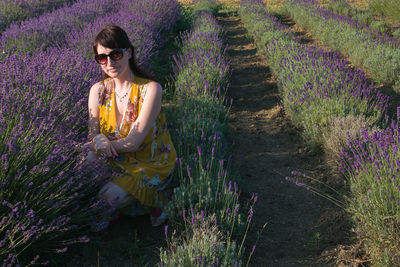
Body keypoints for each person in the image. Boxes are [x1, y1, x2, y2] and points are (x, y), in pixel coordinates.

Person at [83, 24, 177, 232]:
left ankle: (157, 199)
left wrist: (103, 144)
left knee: (106, 198)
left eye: (115, 54)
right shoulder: (97, 91)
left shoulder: (150, 89)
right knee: (82, 170)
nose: (109, 63)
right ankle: (130, 203)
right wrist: (96, 141)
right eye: (102, 58)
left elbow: (134, 142)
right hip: (117, 157)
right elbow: (92, 134)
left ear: (129, 52)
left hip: (149, 161)